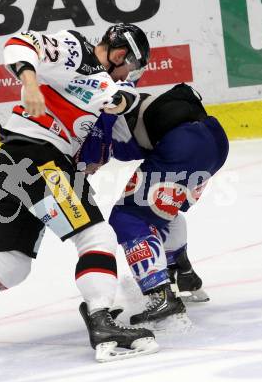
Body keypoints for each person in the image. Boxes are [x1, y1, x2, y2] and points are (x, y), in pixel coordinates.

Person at [0, 24, 160, 361]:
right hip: (39, 160)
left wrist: (97, 143)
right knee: (97, 238)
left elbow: (105, 116)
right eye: (131, 66)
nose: (132, 74)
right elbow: (19, 43)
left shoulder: (107, 86)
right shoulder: (76, 50)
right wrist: (29, 81)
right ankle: (101, 322)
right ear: (119, 53)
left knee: (10, 265)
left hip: (14, 165)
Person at [77, 82, 229, 329]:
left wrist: (81, 166)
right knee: (160, 210)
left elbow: (91, 156)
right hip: (213, 142)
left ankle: (160, 296)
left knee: (127, 218)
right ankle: (182, 272)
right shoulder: (113, 98)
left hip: (184, 144)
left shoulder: (93, 116)